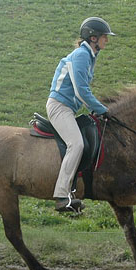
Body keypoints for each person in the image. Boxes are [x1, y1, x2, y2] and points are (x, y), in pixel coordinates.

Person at [47, 16, 115, 212]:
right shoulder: (81, 55)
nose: (107, 40)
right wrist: (102, 109)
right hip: (60, 107)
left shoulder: (90, 56)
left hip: (68, 108)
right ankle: (62, 195)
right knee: (76, 144)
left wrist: (96, 109)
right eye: (104, 36)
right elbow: (81, 91)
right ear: (93, 38)